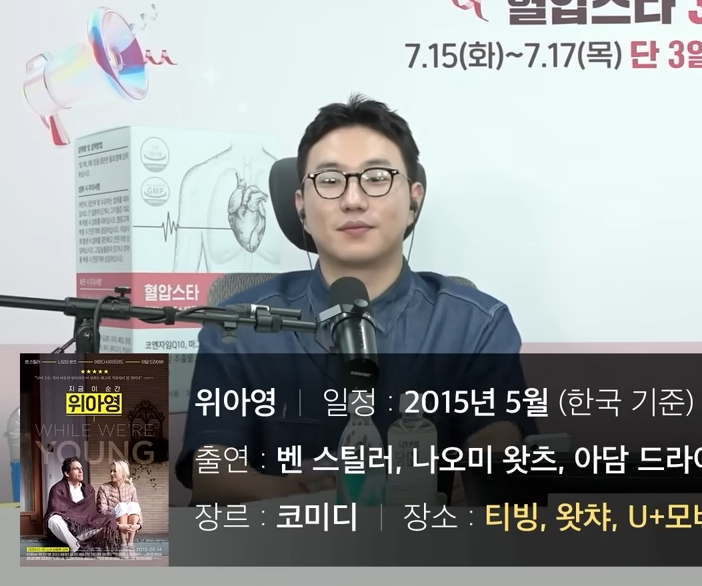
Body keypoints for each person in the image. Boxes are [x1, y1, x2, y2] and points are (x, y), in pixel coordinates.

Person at [177, 95, 534, 505]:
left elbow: (497, 456)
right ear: (301, 206)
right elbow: (213, 473)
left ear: (413, 200)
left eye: (377, 177)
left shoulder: (475, 323)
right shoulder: (239, 324)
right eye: (330, 181)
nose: (353, 200)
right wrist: (317, 496)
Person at [45, 456, 120, 555]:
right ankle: (76, 546)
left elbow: (91, 514)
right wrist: (73, 521)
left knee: (109, 520)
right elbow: (55, 511)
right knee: (53, 520)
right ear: (67, 473)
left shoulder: (88, 489)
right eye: (76, 469)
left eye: (81, 468)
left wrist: (82, 523)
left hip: (85, 526)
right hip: (68, 526)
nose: (81, 471)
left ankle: (81, 540)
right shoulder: (57, 489)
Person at [97, 459, 142, 557]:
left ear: (123, 473)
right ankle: (123, 544)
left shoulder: (131, 488)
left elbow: (137, 509)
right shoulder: (103, 488)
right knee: (122, 505)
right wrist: (118, 525)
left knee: (134, 505)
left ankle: (130, 544)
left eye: (114, 471)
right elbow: (102, 511)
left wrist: (139, 525)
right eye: (111, 471)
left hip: (128, 521)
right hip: (111, 519)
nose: (111, 473)